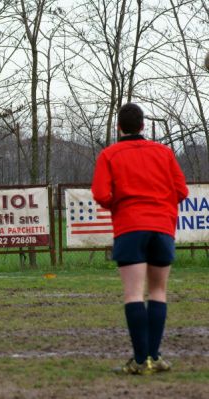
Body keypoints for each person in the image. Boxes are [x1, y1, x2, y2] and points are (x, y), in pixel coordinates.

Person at [92, 103, 188, 375]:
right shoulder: (164, 152)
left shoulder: (110, 154)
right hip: (162, 228)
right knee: (158, 291)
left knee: (133, 293)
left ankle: (138, 360)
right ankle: (154, 357)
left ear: (119, 127)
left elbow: (100, 194)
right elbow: (181, 191)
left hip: (130, 227)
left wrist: (120, 204)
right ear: (143, 126)